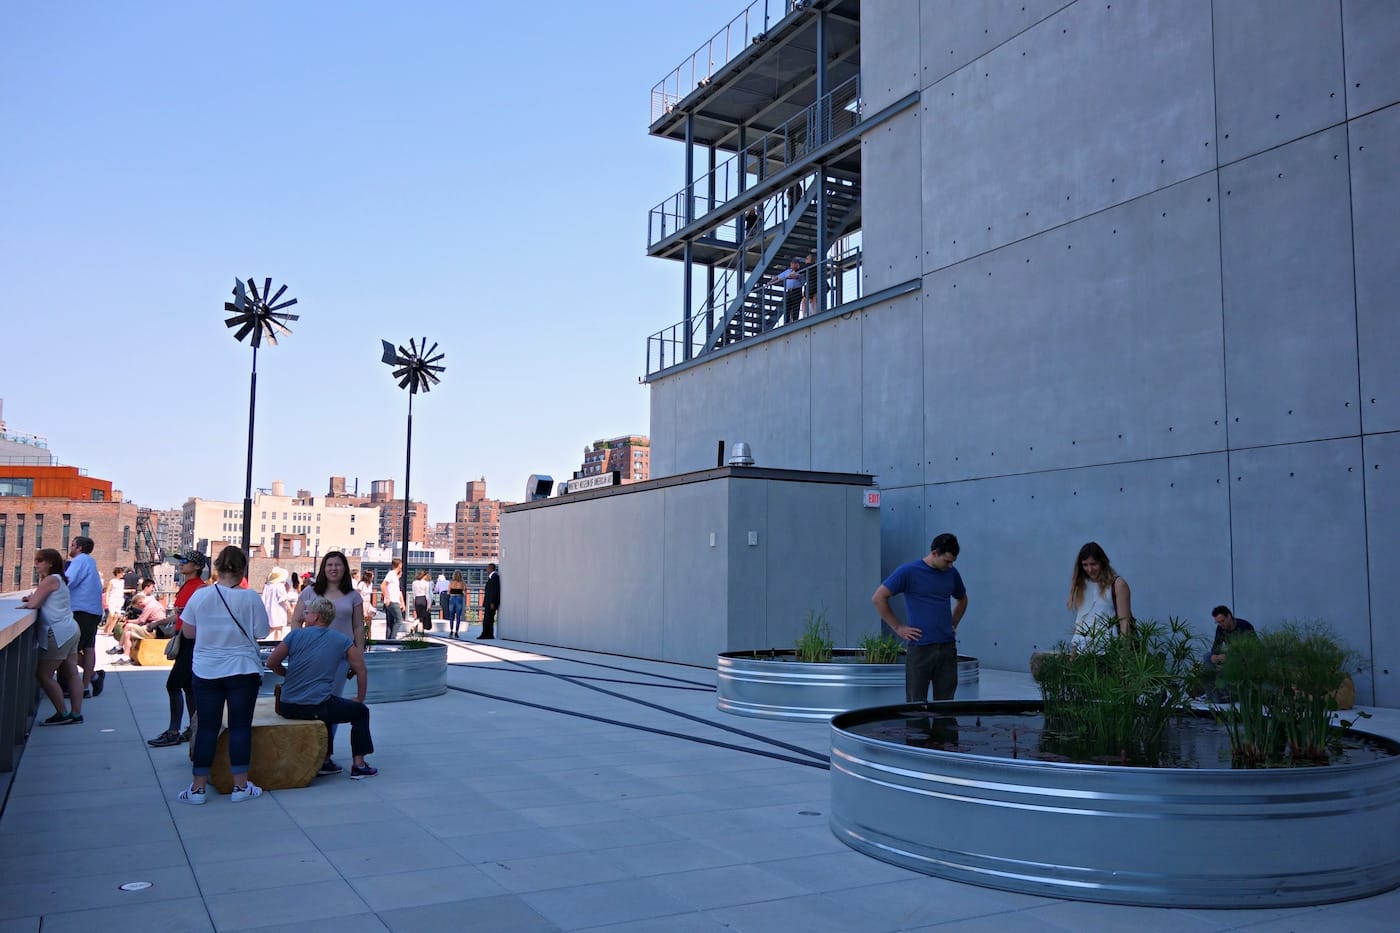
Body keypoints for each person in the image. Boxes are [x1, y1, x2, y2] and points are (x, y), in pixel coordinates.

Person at [177, 546, 269, 805]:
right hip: (243, 669)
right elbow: (261, 631)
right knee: (240, 727)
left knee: (207, 727)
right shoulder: (251, 598)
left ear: (216, 568)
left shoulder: (200, 596)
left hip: (206, 669)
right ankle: (240, 787)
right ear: (242, 570)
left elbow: (189, 633)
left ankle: (197, 789)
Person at [267, 594, 378, 779]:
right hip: (316, 705)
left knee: (327, 704)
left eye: (307, 612)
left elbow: (271, 663)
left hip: (287, 706)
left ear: (316, 616)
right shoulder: (341, 640)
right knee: (360, 712)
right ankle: (359, 765)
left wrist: (287, 674)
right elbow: (361, 669)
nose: (304, 614)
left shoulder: (294, 635)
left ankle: (325, 760)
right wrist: (359, 698)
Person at [288, 550, 365, 776]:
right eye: (329, 564)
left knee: (332, 704)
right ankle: (312, 752)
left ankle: (325, 756)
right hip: (311, 658)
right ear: (324, 568)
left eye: (338, 565)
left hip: (340, 658)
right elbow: (296, 620)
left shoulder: (353, 596)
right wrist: (297, 644)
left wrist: (358, 654)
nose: (333, 568)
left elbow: (359, 626)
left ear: (344, 569)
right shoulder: (310, 592)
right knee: (313, 703)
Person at [873, 534, 969, 702]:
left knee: (946, 705)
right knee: (915, 705)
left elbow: (963, 599)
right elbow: (878, 597)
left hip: (947, 648)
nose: (950, 565)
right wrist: (898, 627)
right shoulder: (908, 572)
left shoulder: (951, 573)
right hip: (920, 649)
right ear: (934, 553)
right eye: (947, 561)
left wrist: (952, 623)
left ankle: (944, 729)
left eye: (953, 561)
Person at [148, 549, 207, 747]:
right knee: (188, 686)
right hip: (184, 638)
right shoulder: (187, 586)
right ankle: (193, 727)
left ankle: (174, 731)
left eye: (185, 561)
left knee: (173, 684)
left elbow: (193, 617)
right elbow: (181, 615)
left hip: (192, 641)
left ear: (197, 566)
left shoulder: (200, 588)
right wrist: (158, 623)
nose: (181, 563)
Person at [20, 548, 84, 725]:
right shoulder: (59, 580)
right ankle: (76, 714)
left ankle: (62, 714)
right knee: (72, 673)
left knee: (43, 675)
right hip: (70, 629)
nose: (36, 564)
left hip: (57, 632)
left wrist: (29, 601)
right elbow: (40, 599)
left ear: (50, 563)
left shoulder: (49, 579)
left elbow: (34, 604)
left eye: (40, 560)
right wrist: (32, 599)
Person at [1066, 541, 1132, 649]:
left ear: (1102, 562)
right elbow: (1080, 623)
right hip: (1084, 653)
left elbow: (1125, 623)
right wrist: (1073, 655)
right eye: (1085, 565)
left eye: (1093, 564)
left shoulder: (1118, 585)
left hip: (1110, 651)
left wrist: (1121, 660)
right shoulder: (1081, 585)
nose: (1090, 569)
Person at [64, 536, 104, 697]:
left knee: (67, 651)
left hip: (81, 611)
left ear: (79, 548)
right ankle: (87, 685)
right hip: (93, 611)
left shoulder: (79, 561)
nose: (70, 547)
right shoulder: (90, 562)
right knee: (88, 648)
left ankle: (86, 682)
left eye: (72, 545)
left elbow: (67, 582)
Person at [1198, 606, 1257, 700]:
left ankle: (1228, 694)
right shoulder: (1220, 628)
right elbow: (1216, 645)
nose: (1220, 624)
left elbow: (1251, 650)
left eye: (1222, 621)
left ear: (1229, 616)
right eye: (1218, 622)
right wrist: (1214, 655)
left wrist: (1229, 656)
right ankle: (1212, 694)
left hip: (1245, 657)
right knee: (1207, 657)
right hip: (1230, 655)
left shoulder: (1244, 626)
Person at [114, 591, 168, 663]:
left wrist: (128, 621)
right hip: (153, 628)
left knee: (128, 626)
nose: (141, 609)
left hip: (154, 630)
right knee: (128, 634)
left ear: (140, 602)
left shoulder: (149, 606)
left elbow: (140, 621)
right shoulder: (153, 602)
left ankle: (119, 647)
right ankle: (126, 657)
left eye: (139, 607)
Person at [260, 568, 295, 641]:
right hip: (278, 610)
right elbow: (283, 599)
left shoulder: (267, 586)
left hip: (268, 609)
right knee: (279, 628)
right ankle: (276, 643)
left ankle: (261, 639)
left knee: (271, 627)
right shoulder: (280, 586)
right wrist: (290, 609)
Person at [772, 258, 803, 325]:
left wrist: (785, 277)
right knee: (787, 307)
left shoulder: (800, 271)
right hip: (789, 291)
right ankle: (786, 322)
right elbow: (778, 277)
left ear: (797, 264)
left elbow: (795, 276)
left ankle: (795, 321)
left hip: (796, 291)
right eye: (791, 263)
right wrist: (770, 282)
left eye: (794, 263)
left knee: (795, 308)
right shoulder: (788, 271)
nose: (792, 264)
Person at [381, 558, 404, 640]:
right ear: (399, 565)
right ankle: (393, 639)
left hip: (392, 600)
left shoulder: (394, 575)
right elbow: (383, 585)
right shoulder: (391, 574)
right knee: (399, 620)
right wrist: (387, 597)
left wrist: (398, 577)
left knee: (390, 623)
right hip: (392, 601)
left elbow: (394, 587)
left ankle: (388, 640)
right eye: (401, 565)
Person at [103, 566, 126, 637]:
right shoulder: (112, 581)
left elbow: (121, 590)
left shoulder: (122, 582)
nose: (123, 574)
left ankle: (110, 630)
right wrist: (106, 600)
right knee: (111, 615)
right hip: (113, 599)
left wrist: (130, 590)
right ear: (118, 573)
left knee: (116, 616)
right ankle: (106, 627)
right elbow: (108, 591)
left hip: (120, 599)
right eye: (122, 572)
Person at [480, 562, 500, 640]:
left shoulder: (495, 577)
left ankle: (487, 634)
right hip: (488, 602)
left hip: (491, 603)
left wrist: (492, 602)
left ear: (491, 568)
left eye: (488, 568)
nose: (487, 569)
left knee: (489, 619)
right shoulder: (491, 577)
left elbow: (494, 591)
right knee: (487, 619)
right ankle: (485, 633)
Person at [355, 568, 377, 643]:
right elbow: (357, 593)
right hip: (362, 603)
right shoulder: (362, 584)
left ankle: (369, 638)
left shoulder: (371, 584)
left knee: (369, 621)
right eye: (372, 575)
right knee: (361, 621)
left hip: (368, 603)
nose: (373, 576)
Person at [447, 570, 465, 638]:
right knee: (458, 616)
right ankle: (456, 632)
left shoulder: (451, 582)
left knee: (451, 616)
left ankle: (451, 631)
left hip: (452, 599)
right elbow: (464, 591)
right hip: (459, 598)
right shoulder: (462, 583)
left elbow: (448, 592)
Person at [801, 251, 819, 318]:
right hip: (817, 284)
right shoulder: (816, 265)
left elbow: (800, 271)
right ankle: (815, 313)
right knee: (814, 298)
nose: (805, 259)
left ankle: (804, 315)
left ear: (809, 260)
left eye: (806, 258)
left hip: (811, 285)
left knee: (804, 301)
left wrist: (792, 274)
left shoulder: (807, 265)